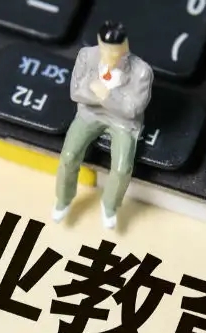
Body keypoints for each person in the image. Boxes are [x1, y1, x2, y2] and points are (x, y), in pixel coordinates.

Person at [52, 21, 154, 229]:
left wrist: (106, 95)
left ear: (124, 46)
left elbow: (132, 109)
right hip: (90, 114)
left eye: (115, 51)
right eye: (106, 49)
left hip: (123, 123)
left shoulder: (141, 72)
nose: (110, 56)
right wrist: (103, 97)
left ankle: (110, 206)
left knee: (122, 167)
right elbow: (76, 92)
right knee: (69, 156)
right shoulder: (86, 56)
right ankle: (63, 199)